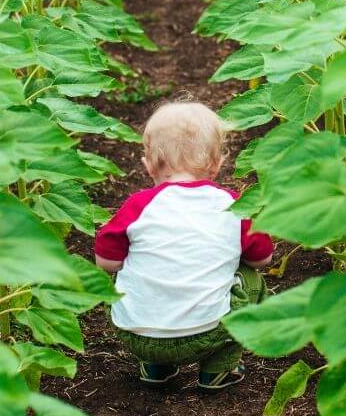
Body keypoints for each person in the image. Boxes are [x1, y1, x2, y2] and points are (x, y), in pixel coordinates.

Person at [94, 101, 274, 391]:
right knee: (252, 280)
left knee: (124, 266)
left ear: (148, 165)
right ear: (217, 164)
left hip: (137, 334)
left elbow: (105, 261)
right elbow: (262, 258)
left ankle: (155, 366)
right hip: (207, 331)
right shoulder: (232, 204)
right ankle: (219, 368)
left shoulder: (139, 206)